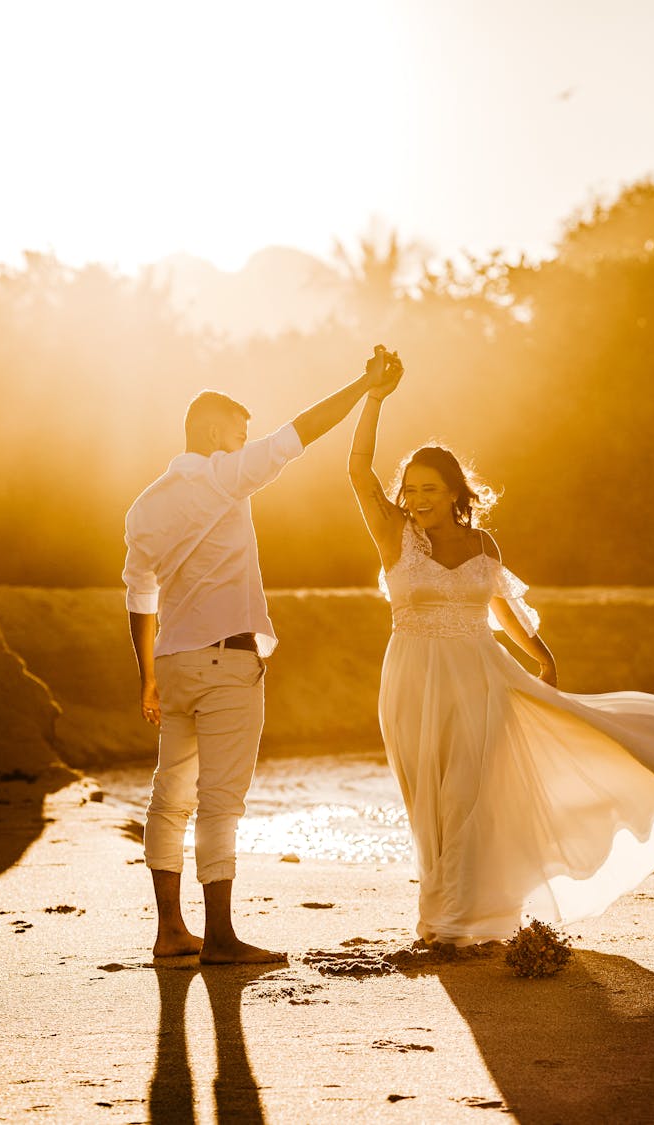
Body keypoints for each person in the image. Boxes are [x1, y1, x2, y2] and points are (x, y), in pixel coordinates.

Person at [348, 362, 654, 947]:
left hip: (481, 674)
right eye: (411, 489)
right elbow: (358, 469)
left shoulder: (481, 543)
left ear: (454, 494)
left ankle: (459, 923)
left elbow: (501, 609)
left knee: (469, 794)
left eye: (429, 490)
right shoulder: (395, 535)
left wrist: (542, 656)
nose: (417, 499)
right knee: (427, 797)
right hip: (411, 677)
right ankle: (439, 915)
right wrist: (373, 399)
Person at [123, 345, 398, 964]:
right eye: (239, 433)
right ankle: (219, 938)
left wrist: (147, 678)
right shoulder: (225, 476)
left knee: (169, 795)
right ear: (217, 432)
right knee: (220, 802)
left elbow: (139, 595)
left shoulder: (143, 508)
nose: (245, 442)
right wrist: (363, 385)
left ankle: (171, 932)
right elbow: (298, 433)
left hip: (172, 663)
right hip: (227, 664)